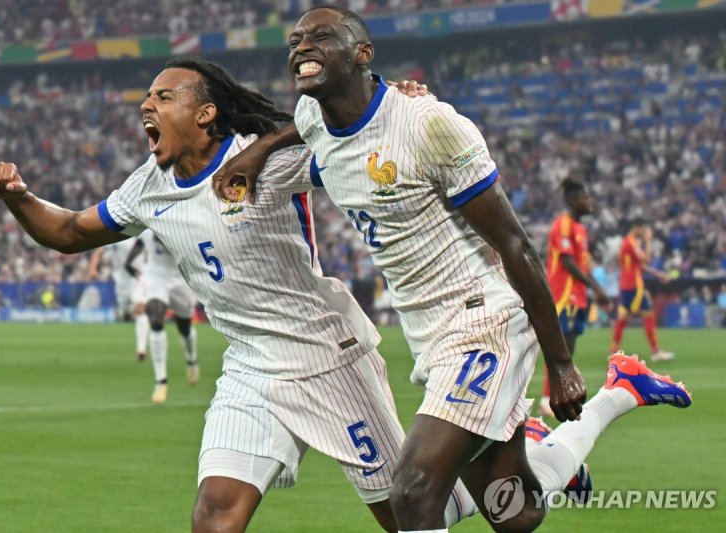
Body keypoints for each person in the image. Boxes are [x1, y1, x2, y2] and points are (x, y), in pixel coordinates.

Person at [212, 6, 692, 531]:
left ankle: (565, 409)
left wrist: (560, 364)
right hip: (429, 336)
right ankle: (620, 393)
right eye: (295, 40)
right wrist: (259, 150)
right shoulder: (311, 118)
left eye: (321, 37)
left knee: (414, 491)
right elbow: (300, 131)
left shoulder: (428, 125)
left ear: (362, 54)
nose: (301, 47)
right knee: (516, 512)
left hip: (483, 320)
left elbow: (516, 245)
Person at [0, 59, 423, 533]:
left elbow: (348, 145)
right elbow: (69, 232)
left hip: (325, 358)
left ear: (205, 113)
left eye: (164, 96)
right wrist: (18, 199)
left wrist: (393, 108)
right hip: (249, 367)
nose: (147, 104)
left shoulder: (260, 159)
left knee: (409, 514)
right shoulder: (149, 185)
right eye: (148, 97)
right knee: (213, 519)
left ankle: (512, 446)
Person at [540, 178, 612, 417]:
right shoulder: (563, 225)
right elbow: (568, 263)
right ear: (572, 201)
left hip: (577, 297)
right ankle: (548, 397)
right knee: (560, 348)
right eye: (584, 197)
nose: (589, 201)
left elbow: (582, 264)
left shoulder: (580, 229)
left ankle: (557, 392)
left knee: (568, 348)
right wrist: (596, 288)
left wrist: (596, 290)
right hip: (563, 295)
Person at [126, 228, 200, 403]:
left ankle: (191, 360)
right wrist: (130, 265)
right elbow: (137, 247)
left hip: (181, 281)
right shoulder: (148, 229)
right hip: (156, 279)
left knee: (185, 328)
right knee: (156, 320)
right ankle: (161, 381)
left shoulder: (183, 229)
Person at [610, 219, 674, 361]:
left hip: (626, 286)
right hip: (634, 286)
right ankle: (656, 352)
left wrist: (658, 274)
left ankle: (613, 352)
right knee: (648, 314)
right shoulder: (632, 242)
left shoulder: (627, 243)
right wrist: (648, 240)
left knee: (622, 318)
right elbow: (646, 259)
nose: (644, 232)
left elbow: (639, 265)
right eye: (643, 229)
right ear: (637, 228)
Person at [89, 238, 150, 362]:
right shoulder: (116, 236)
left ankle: (141, 348)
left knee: (141, 309)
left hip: (137, 279)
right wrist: (92, 269)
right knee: (125, 315)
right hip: (121, 283)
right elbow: (98, 253)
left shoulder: (141, 236)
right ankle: (126, 313)